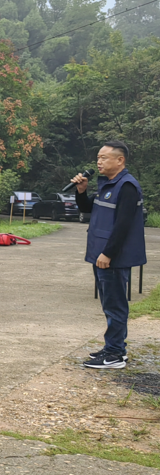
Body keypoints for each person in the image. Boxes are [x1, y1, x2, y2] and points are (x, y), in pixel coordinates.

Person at [73, 141, 148, 369]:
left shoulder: (127, 186)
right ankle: (114, 349)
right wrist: (81, 191)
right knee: (110, 304)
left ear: (120, 160)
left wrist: (108, 253)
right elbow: (88, 209)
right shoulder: (108, 184)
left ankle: (114, 354)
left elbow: (123, 225)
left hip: (113, 257)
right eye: (98, 157)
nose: (99, 162)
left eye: (104, 157)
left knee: (115, 305)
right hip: (101, 254)